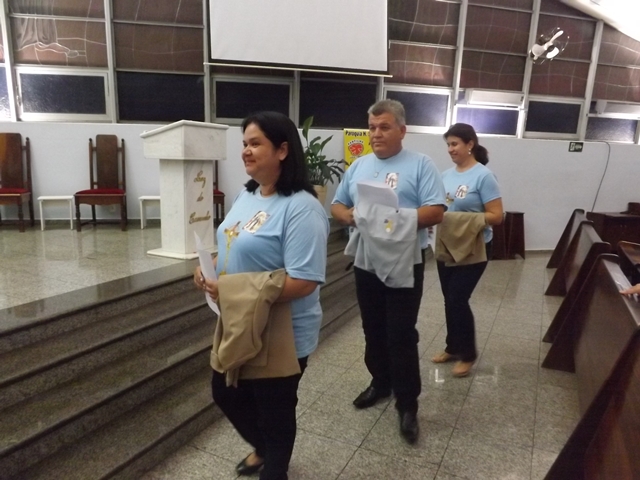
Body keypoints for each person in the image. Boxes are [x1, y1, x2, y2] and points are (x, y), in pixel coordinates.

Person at [194, 111, 329, 480]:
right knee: (226, 392)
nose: (246, 151)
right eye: (244, 144)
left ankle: (275, 468)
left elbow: (305, 281)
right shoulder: (248, 194)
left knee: (274, 409)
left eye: (255, 143)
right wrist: (210, 268)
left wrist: (231, 289)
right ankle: (264, 448)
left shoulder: (302, 208)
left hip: (282, 330)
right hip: (239, 317)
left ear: (282, 150)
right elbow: (233, 243)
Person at [331, 99, 445, 444]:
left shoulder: (421, 164)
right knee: (373, 328)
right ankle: (381, 383)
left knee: (401, 333)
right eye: (372, 127)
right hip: (366, 260)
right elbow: (337, 205)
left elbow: (436, 211)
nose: (376, 134)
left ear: (402, 130)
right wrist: (351, 217)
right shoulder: (359, 166)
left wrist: (387, 219)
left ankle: (407, 403)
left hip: (404, 261)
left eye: (384, 127)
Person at [432, 123, 503, 377]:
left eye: (455, 144)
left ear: (470, 144)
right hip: (448, 244)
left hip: (474, 247)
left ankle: (468, 354)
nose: (450, 149)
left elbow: (497, 216)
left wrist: (461, 219)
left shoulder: (484, 176)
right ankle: (453, 347)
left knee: (457, 298)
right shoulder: (445, 175)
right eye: (448, 145)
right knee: (448, 298)